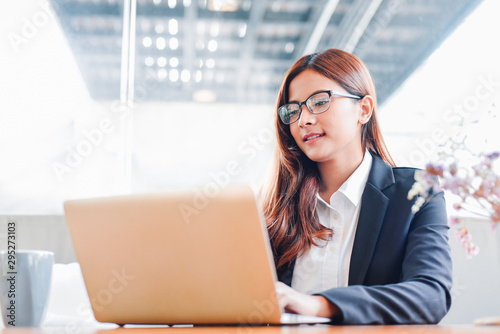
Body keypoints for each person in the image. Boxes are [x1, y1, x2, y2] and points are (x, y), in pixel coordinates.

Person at [260, 48, 452, 325]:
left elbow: (431, 295)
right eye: (294, 110)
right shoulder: (274, 206)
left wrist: (320, 305)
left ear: (363, 110)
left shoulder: (417, 193)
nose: (304, 120)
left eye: (319, 101)